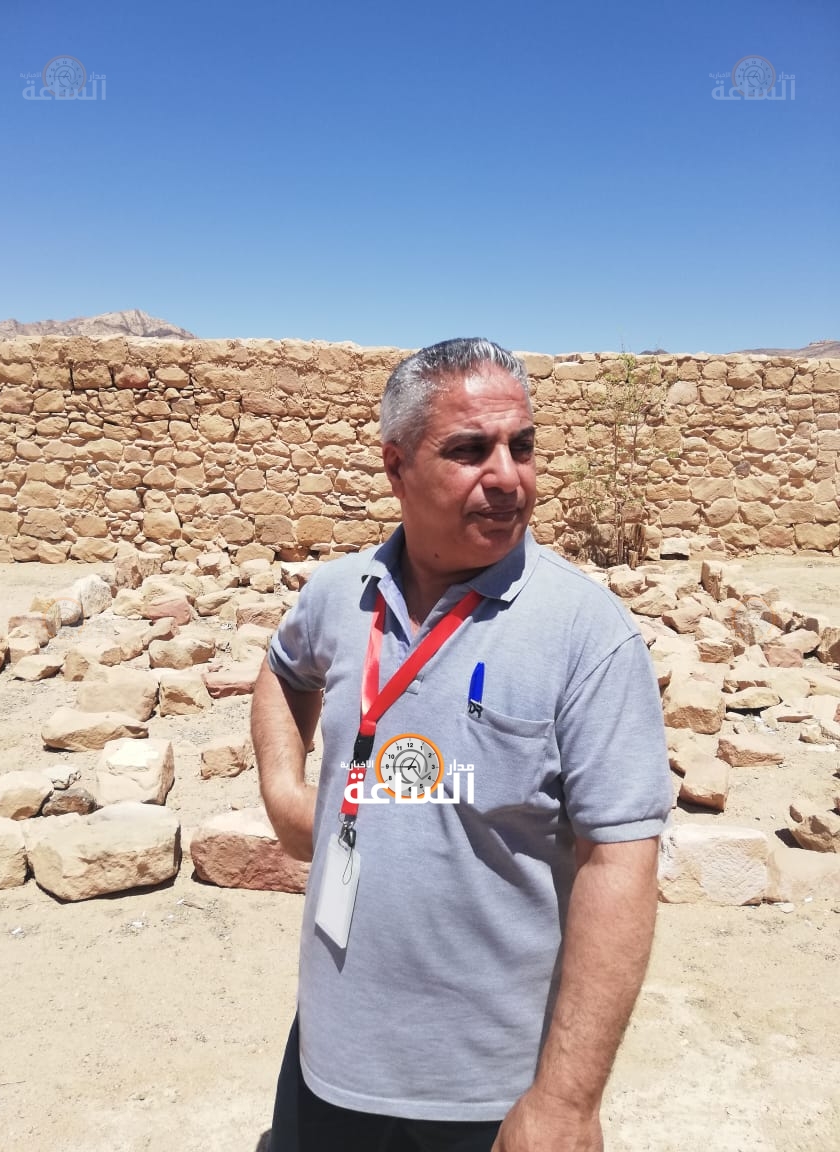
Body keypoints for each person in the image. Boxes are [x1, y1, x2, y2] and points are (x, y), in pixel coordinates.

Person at [251, 338, 672, 1152]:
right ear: (396, 466)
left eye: (523, 446)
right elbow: (282, 670)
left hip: (491, 1091)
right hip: (329, 1058)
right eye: (471, 450)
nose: (508, 477)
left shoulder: (587, 634)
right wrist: (282, 791)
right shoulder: (339, 595)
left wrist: (567, 1101)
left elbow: (620, 861)